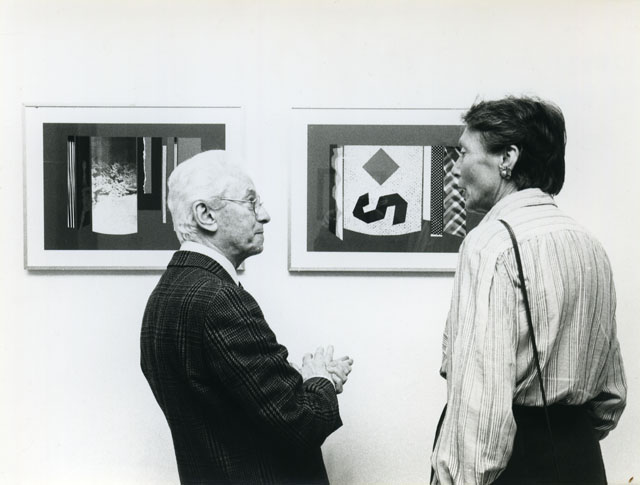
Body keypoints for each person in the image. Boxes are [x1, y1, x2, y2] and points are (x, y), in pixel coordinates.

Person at [430, 96, 627, 485]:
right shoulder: (589, 245)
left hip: (517, 464)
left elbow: (483, 409)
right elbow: (610, 395)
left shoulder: (490, 244)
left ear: (508, 158)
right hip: (581, 459)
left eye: (463, 153)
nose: (455, 168)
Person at [140, 150, 353, 485]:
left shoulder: (166, 293)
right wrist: (321, 380)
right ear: (205, 215)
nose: (264, 215)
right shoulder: (222, 300)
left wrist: (299, 379)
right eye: (251, 203)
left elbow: (228, 400)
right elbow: (301, 424)